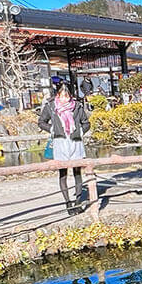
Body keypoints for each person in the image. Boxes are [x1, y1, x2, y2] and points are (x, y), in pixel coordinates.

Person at [38, 80, 91, 214]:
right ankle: (68, 202)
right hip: (60, 142)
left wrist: (80, 131)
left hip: (75, 141)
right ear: (57, 95)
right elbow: (41, 122)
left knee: (77, 173)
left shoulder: (77, 106)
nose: (64, 99)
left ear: (70, 96)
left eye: (66, 96)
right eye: (61, 96)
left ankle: (78, 202)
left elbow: (86, 123)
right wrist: (53, 129)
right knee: (63, 174)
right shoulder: (51, 106)